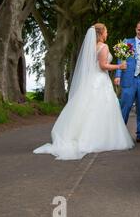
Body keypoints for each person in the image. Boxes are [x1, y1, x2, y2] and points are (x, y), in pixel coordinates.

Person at [33, 24, 134, 160]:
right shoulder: (103, 47)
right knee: (100, 108)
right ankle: (96, 138)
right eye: (106, 31)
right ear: (101, 33)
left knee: (88, 108)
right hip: (100, 80)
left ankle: (82, 135)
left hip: (91, 80)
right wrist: (119, 66)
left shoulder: (91, 47)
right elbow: (103, 66)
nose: (107, 34)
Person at [114, 21, 140, 143]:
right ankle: (119, 134)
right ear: (135, 30)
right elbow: (120, 60)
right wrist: (118, 75)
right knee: (125, 107)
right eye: (139, 30)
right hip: (129, 80)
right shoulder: (127, 42)